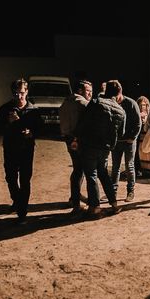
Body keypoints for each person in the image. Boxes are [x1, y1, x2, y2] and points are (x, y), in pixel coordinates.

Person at [74, 80, 126, 217]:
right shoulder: (121, 111)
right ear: (118, 93)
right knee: (103, 174)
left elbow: (83, 122)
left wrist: (76, 137)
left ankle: (95, 207)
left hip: (90, 144)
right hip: (106, 147)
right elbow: (121, 133)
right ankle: (114, 204)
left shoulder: (96, 103)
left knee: (91, 175)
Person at [0, 78, 43, 223]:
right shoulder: (5, 109)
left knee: (25, 179)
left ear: (27, 92)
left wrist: (32, 133)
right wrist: (7, 123)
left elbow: (42, 129)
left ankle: (22, 211)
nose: (19, 96)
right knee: (10, 178)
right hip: (10, 148)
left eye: (21, 93)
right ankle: (17, 200)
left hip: (26, 149)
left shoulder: (33, 111)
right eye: (16, 94)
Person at [59, 80, 93, 211]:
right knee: (80, 170)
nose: (90, 94)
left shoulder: (66, 101)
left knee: (77, 168)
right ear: (80, 91)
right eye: (88, 91)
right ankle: (76, 203)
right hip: (79, 139)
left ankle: (74, 197)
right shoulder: (82, 103)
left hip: (68, 138)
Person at [110, 81, 141, 202]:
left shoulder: (131, 103)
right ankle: (113, 191)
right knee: (115, 167)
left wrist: (133, 137)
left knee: (129, 166)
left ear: (120, 92)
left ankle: (130, 191)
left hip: (128, 141)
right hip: (117, 141)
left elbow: (138, 123)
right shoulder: (112, 103)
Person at [135, 96, 150, 177]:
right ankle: (137, 169)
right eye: (140, 105)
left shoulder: (149, 113)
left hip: (146, 136)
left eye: (144, 105)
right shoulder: (136, 113)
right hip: (138, 136)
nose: (142, 107)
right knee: (137, 153)